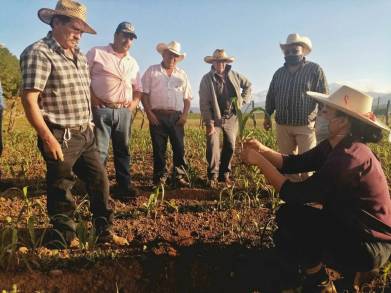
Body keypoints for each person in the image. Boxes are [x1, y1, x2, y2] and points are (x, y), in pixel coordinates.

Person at [241, 85, 391, 292]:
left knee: (293, 219)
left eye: (325, 111)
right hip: (352, 227)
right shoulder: (335, 145)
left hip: (368, 245)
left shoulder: (349, 157)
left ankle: (321, 281)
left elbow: (293, 194)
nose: (319, 114)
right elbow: (294, 163)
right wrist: (263, 150)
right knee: (286, 228)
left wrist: (259, 161)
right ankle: (330, 271)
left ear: (343, 121)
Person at [19, 0, 127, 246]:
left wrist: (89, 123)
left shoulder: (77, 54)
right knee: (61, 187)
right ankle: (63, 237)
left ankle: (104, 232)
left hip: (84, 132)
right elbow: (29, 99)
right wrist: (48, 138)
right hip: (60, 134)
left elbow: (83, 90)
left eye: (81, 31)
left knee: (99, 181)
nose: (79, 36)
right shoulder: (39, 52)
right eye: (75, 28)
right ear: (56, 22)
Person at [86, 22, 142, 200]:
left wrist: (133, 104)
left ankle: (123, 186)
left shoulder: (132, 62)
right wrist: (92, 97)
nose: (128, 40)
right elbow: (81, 76)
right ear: (116, 35)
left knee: (123, 151)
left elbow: (138, 88)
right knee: (100, 151)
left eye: (131, 38)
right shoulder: (97, 52)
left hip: (124, 112)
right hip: (101, 110)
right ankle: (98, 189)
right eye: (125, 35)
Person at [264, 33, 329, 180]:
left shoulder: (314, 70)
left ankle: (309, 197)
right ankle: (293, 197)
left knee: (309, 164)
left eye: (295, 51)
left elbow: (323, 97)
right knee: (288, 164)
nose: (291, 54)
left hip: (305, 125)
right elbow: (271, 97)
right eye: (288, 52)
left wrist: (323, 120)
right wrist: (267, 116)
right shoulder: (278, 73)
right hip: (282, 125)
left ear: (303, 51)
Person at [141, 41, 192, 187]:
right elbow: (144, 94)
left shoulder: (182, 74)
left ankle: (179, 177)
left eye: (176, 56)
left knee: (179, 148)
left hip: (176, 117)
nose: (173, 58)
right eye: (170, 54)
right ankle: (159, 178)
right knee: (159, 149)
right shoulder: (152, 71)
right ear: (163, 54)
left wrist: (184, 116)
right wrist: (149, 114)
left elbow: (187, 97)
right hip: (157, 115)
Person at [199, 49, 252, 186]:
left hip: (231, 117)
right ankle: (212, 176)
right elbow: (204, 103)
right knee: (213, 145)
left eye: (222, 61)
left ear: (226, 62)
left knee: (230, 145)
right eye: (217, 61)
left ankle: (224, 174)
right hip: (214, 117)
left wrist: (243, 101)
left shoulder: (234, 75)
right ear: (213, 63)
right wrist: (209, 122)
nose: (220, 64)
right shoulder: (206, 79)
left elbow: (248, 86)